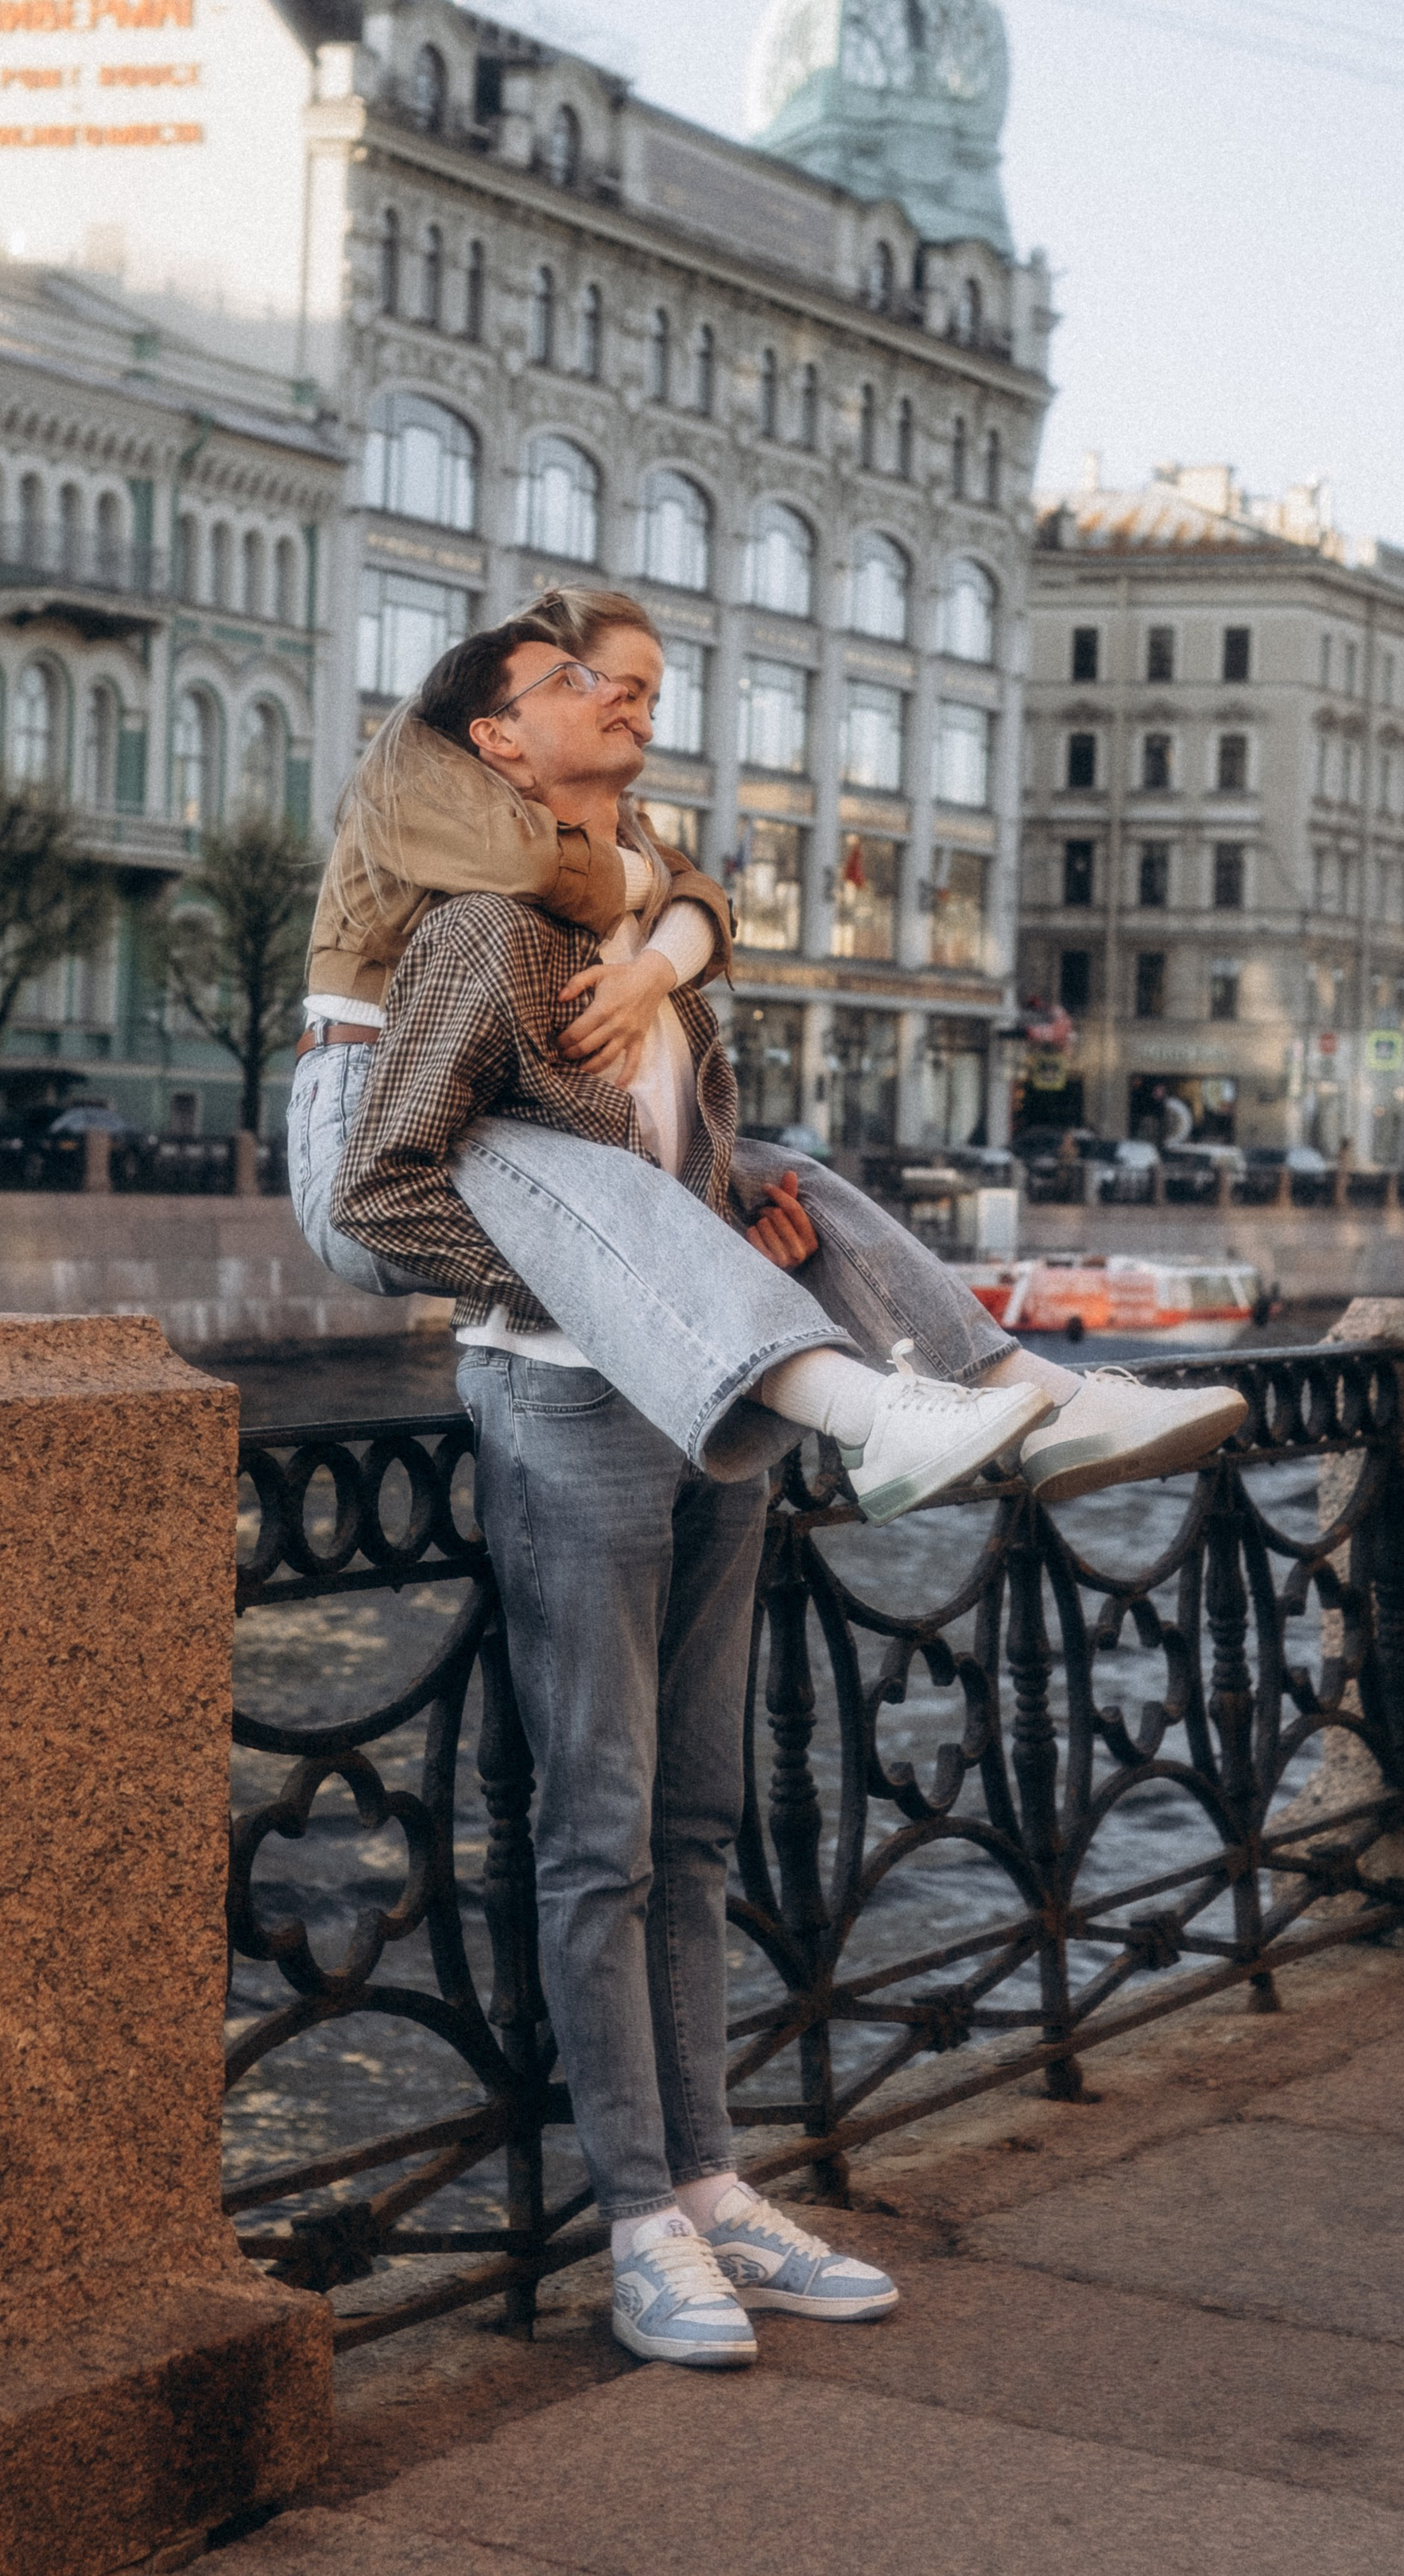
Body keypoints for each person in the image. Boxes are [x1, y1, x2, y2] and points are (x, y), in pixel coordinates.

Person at [328, 619, 958, 2368]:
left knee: (694, 1821)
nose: (614, 695)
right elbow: (384, 1194)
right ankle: (631, 2222)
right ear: (496, 750)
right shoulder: (481, 933)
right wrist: (569, 1290)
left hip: (715, 1412)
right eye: (566, 686)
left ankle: (711, 2185)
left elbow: (668, 1182)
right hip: (569, 1409)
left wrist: (725, 1222)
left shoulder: (641, 929)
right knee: (596, 1834)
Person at [290, 588, 1247, 1510]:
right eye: (601, 683)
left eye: (651, 697)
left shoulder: (599, 824)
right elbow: (547, 876)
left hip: (502, 1132)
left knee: (801, 1189)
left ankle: (1043, 1400)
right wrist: (651, 893)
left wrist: (654, 964)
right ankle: (865, 1414)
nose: (636, 711)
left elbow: (706, 902)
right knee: (604, 1198)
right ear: (511, 716)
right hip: (366, 1103)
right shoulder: (423, 783)